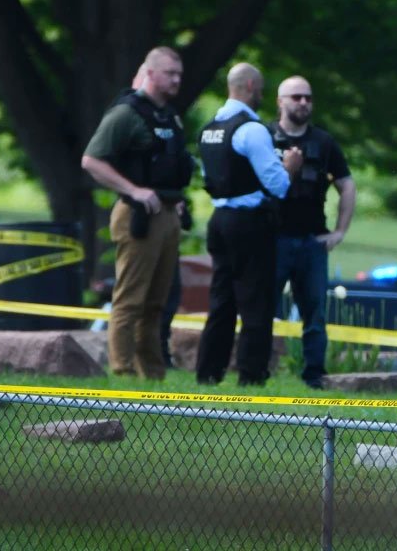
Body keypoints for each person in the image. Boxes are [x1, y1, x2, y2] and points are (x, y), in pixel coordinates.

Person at [82, 47, 194, 380]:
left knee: (157, 304)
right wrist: (133, 191)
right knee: (130, 301)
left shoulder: (169, 116)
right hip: (137, 218)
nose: (176, 80)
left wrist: (176, 199)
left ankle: (153, 376)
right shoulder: (126, 114)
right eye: (170, 73)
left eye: (179, 74)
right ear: (151, 73)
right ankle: (122, 372)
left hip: (168, 215)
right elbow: (92, 161)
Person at [195, 63, 303, 386]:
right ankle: (251, 376)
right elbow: (278, 185)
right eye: (260, 89)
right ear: (251, 85)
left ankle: (208, 373)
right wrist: (291, 167)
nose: (262, 95)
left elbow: (208, 178)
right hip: (249, 222)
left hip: (219, 220)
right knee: (256, 301)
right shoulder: (252, 129)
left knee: (221, 300)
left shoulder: (211, 127)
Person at [269, 76, 356, 389]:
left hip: (312, 241)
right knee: (263, 310)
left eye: (307, 97)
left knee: (315, 316)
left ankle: (314, 376)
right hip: (272, 240)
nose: (303, 103)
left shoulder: (324, 142)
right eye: (296, 97)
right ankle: (256, 373)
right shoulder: (265, 136)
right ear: (280, 101)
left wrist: (340, 231)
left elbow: (346, 185)